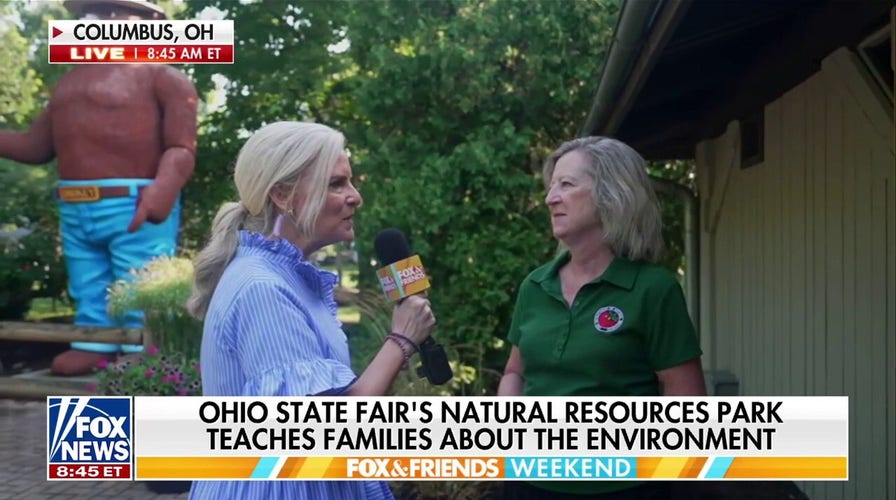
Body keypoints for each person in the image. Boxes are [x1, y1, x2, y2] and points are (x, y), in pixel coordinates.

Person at [186, 121, 436, 500]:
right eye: (336, 184)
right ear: (284, 196)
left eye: (350, 182)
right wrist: (401, 339)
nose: (356, 197)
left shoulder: (287, 276)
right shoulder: (263, 288)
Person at [498, 136, 706, 500]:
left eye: (566, 184)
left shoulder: (653, 289)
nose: (550, 198)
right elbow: (515, 372)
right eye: (551, 187)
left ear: (611, 194)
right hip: (529, 485)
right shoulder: (535, 285)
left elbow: (687, 403)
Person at [0, 0, 198, 375]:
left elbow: (181, 147)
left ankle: (144, 345)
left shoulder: (164, 76)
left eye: (109, 14)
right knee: (88, 282)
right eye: (87, 16)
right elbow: (36, 145)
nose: (95, 23)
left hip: (134, 202)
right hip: (75, 205)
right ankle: (94, 343)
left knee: (141, 282)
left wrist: (165, 186)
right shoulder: (68, 85)